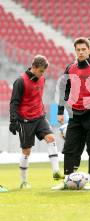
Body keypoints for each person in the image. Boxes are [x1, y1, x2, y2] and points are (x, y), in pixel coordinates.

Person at [53, 38, 90, 190]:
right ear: (75, 51)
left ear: (88, 50)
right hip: (75, 115)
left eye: (83, 50)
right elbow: (63, 91)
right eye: (78, 50)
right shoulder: (70, 68)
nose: (81, 52)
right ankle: (67, 180)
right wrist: (60, 112)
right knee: (69, 148)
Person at [9, 55, 63, 189]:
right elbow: (14, 103)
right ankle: (24, 181)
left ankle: (56, 171)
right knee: (26, 151)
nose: (42, 74)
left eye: (43, 72)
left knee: (51, 138)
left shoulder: (42, 79)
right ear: (33, 67)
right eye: (40, 71)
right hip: (25, 120)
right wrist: (13, 120)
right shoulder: (20, 81)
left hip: (39, 117)